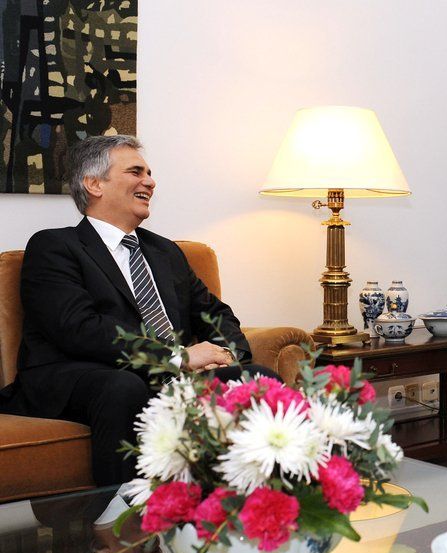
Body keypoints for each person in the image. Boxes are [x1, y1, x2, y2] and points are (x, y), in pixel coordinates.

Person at [0, 135, 271, 486]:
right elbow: (78, 328)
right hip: (80, 376)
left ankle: (259, 505)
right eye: (136, 172)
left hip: (163, 380)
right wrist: (177, 358)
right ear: (94, 184)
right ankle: (120, 511)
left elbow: (214, 313)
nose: (150, 182)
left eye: (149, 173)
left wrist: (226, 355)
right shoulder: (55, 246)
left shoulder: (166, 252)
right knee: (122, 386)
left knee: (256, 379)